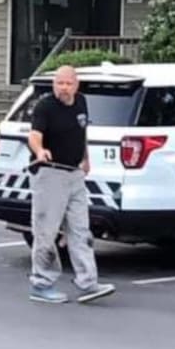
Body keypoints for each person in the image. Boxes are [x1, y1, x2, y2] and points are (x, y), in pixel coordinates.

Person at [27, 65, 115, 303]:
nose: (63, 88)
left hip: (74, 173)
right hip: (50, 174)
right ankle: (41, 283)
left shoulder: (81, 102)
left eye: (68, 84)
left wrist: (86, 158)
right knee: (46, 231)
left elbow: (81, 131)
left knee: (80, 230)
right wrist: (40, 150)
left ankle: (88, 282)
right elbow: (34, 135)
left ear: (76, 85)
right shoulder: (45, 106)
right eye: (59, 83)